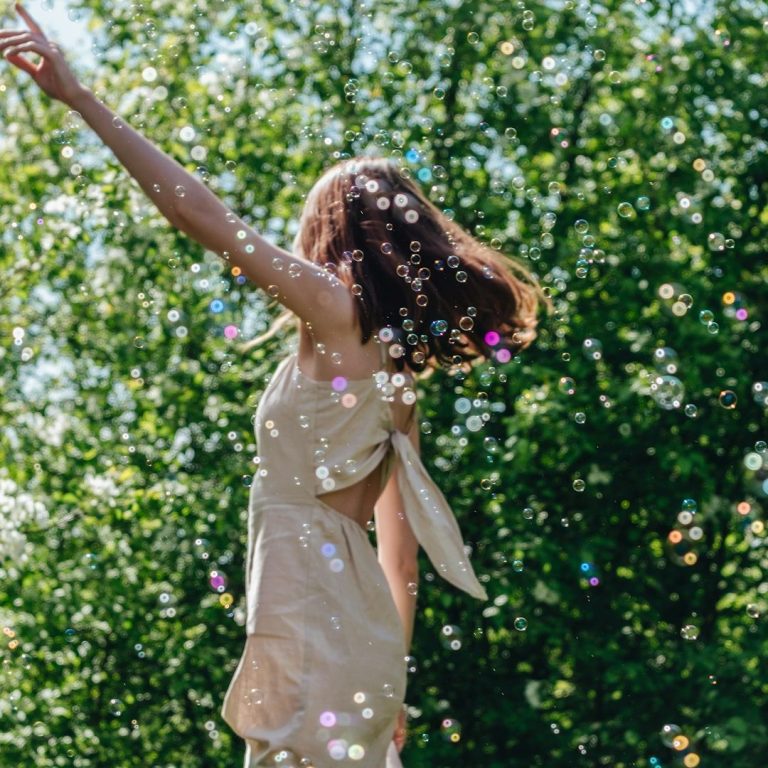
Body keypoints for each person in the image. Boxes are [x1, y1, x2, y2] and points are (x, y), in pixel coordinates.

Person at [1, 6, 549, 765]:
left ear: (331, 235)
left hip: (310, 623)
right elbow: (402, 563)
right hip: (361, 647)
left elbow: (203, 216)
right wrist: (389, 687)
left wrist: (83, 98)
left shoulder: (332, 310)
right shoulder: (397, 386)